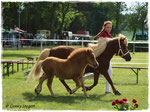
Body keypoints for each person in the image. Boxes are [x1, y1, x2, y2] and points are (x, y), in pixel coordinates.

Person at [83, 21, 112, 93]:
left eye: (110, 27)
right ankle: (108, 90)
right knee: (109, 73)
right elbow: (102, 46)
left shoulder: (108, 34)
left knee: (101, 74)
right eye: (108, 27)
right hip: (102, 57)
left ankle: (83, 78)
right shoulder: (103, 34)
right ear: (104, 27)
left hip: (106, 58)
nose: (109, 28)